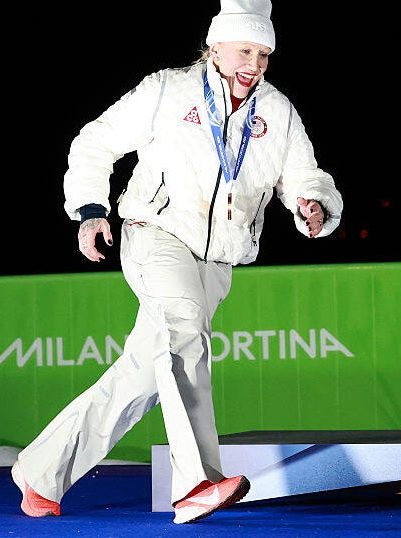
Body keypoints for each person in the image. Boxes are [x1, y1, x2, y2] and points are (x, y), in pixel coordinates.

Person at [11, 0, 342, 525]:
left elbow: (305, 173)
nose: (253, 64)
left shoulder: (276, 111)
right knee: (186, 333)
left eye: (263, 54)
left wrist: (314, 202)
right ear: (214, 47)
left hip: (217, 263)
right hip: (155, 235)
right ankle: (197, 483)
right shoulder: (168, 90)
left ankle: (39, 472)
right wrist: (90, 210)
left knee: (141, 377)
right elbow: (94, 142)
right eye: (243, 51)